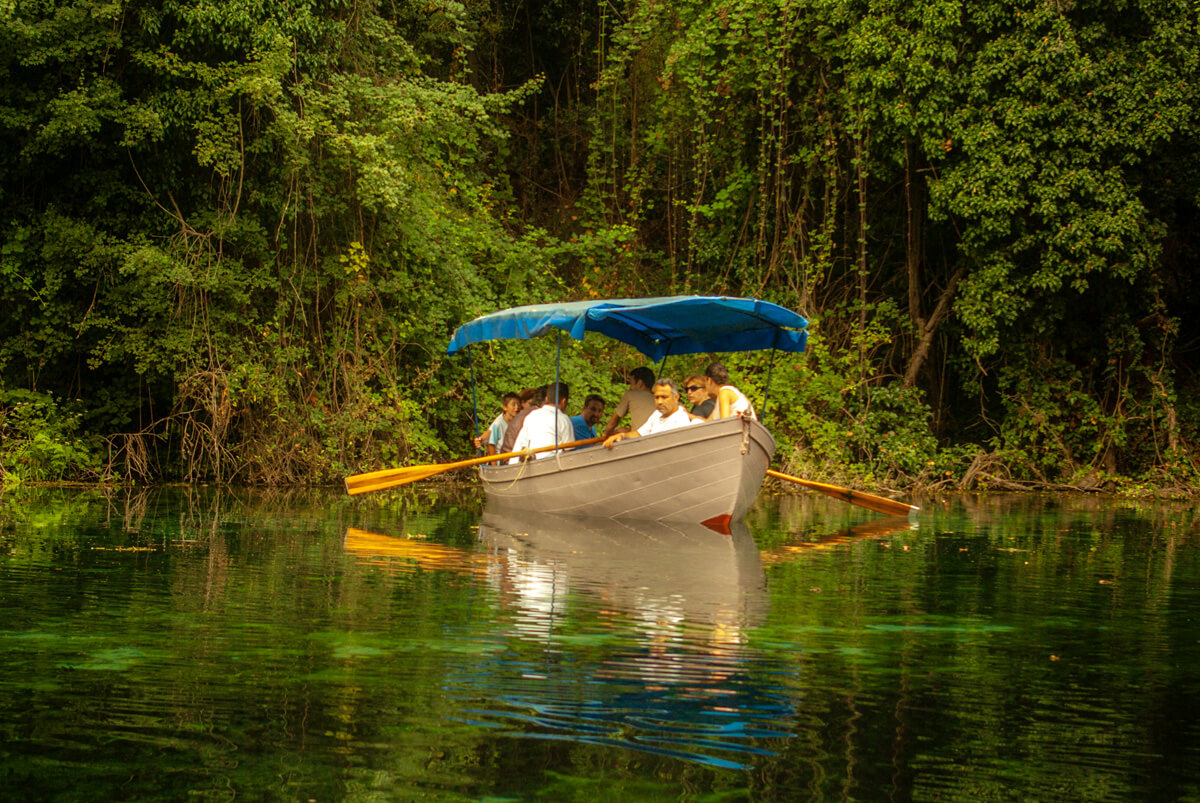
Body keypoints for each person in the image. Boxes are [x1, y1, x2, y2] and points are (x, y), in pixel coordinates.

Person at [603, 379, 694, 448]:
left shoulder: (681, 419)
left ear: (676, 397)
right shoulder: (657, 414)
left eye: (664, 397)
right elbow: (639, 433)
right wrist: (622, 435)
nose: (659, 402)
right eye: (656, 397)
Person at [510, 382, 576, 462]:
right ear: (563, 401)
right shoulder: (563, 419)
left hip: (530, 464)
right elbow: (569, 450)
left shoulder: (531, 415)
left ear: (547, 398)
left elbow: (523, 444)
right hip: (551, 464)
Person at [602, 366, 657, 437]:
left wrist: (605, 436)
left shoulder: (630, 394)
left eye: (631, 383)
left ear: (640, 383)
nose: (629, 388)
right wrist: (628, 430)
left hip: (640, 440)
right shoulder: (660, 399)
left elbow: (613, 422)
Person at [499, 386, 545, 454]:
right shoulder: (502, 421)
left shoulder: (519, 416)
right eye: (530, 404)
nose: (516, 407)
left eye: (517, 405)